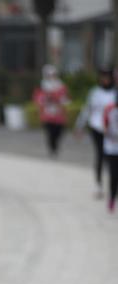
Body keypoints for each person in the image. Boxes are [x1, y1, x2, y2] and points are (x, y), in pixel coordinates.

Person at [75, 68, 116, 198]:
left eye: (107, 77)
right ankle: (98, 184)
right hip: (97, 127)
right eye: (103, 77)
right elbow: (87, 109)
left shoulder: (115, 93)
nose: (105, 80)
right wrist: (80, 125)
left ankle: (113, 185)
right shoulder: (95, 93)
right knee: (100, 155)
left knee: (111, 158)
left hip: (112, 130)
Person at [33, 65, 69, 157]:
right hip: (47, 115)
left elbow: (65, 99)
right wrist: (46, 98)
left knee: (59, 132)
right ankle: (52, 149)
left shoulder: (61, 86)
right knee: (50, 133)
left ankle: (55, 146)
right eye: (49, 75)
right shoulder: (42, 87)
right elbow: (38, 100)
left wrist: (58, 99)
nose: (52, 77)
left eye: (53, 75)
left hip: (59, 114)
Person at [103, 88, 118, 213]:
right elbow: (105, 125)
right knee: (114, 175)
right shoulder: (109, 109)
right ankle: (112, 198)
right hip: (112, 148)